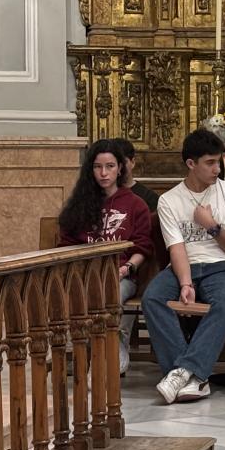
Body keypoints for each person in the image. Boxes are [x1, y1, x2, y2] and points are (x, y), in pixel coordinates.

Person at [143, 129, 225, 404]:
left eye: (220, 161)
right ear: (191, 164)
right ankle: (193, 376)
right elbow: (176, 248)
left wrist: (213, 227)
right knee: (153, 298)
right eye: (210, 163)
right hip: (184, 266)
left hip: (223, 267)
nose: (218, 168)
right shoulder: (169, 200)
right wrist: (186, 283)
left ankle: (183, 372)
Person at [57, 140, 153, 375]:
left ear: (120, 168)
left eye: (110, 166)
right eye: (98, 167)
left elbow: (142, 246)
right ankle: (95, 352)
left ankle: (108, 355)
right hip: (85, 275)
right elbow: (67, 246)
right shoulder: (80, 204)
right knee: (82, 293)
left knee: (111, 293)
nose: (103, 173)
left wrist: (128, 268)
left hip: (121, 275)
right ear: (90, 170)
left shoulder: (135, 204)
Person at [110, 138, 159, 212]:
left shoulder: (149, 198)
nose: (119, 168)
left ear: (132, 162)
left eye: (123, 162)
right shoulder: (102, 195)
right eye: (112, 164)